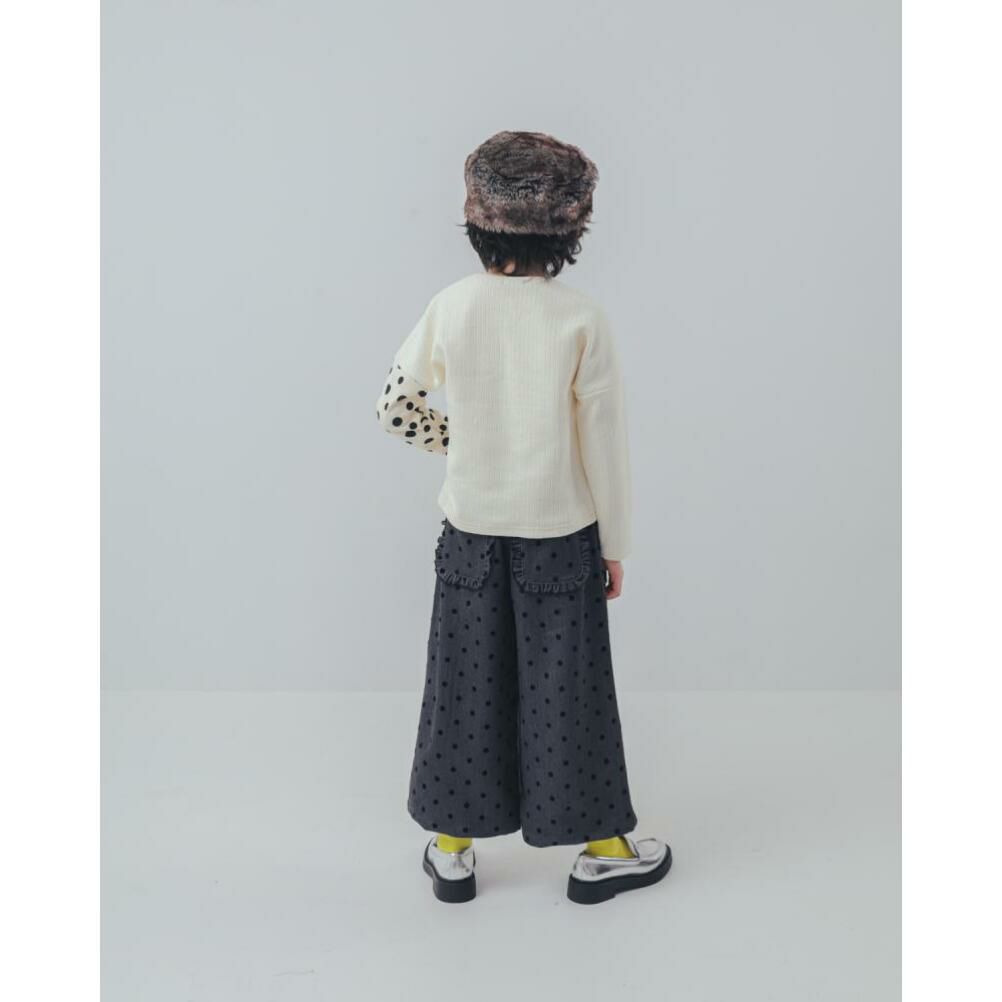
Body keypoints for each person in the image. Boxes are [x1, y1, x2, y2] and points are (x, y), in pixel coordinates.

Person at [375, 131, 671, 905]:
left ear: (477, 222)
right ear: (571, 231)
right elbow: (603, 442)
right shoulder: (581, 318)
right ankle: (602, 849)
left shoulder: (452, 306)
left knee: (464, 685)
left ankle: (452, 849)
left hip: (470, 533)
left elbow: (394, 406)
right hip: (559, 536)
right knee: (568, 692)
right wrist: (614, 544)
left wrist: (460, 441)